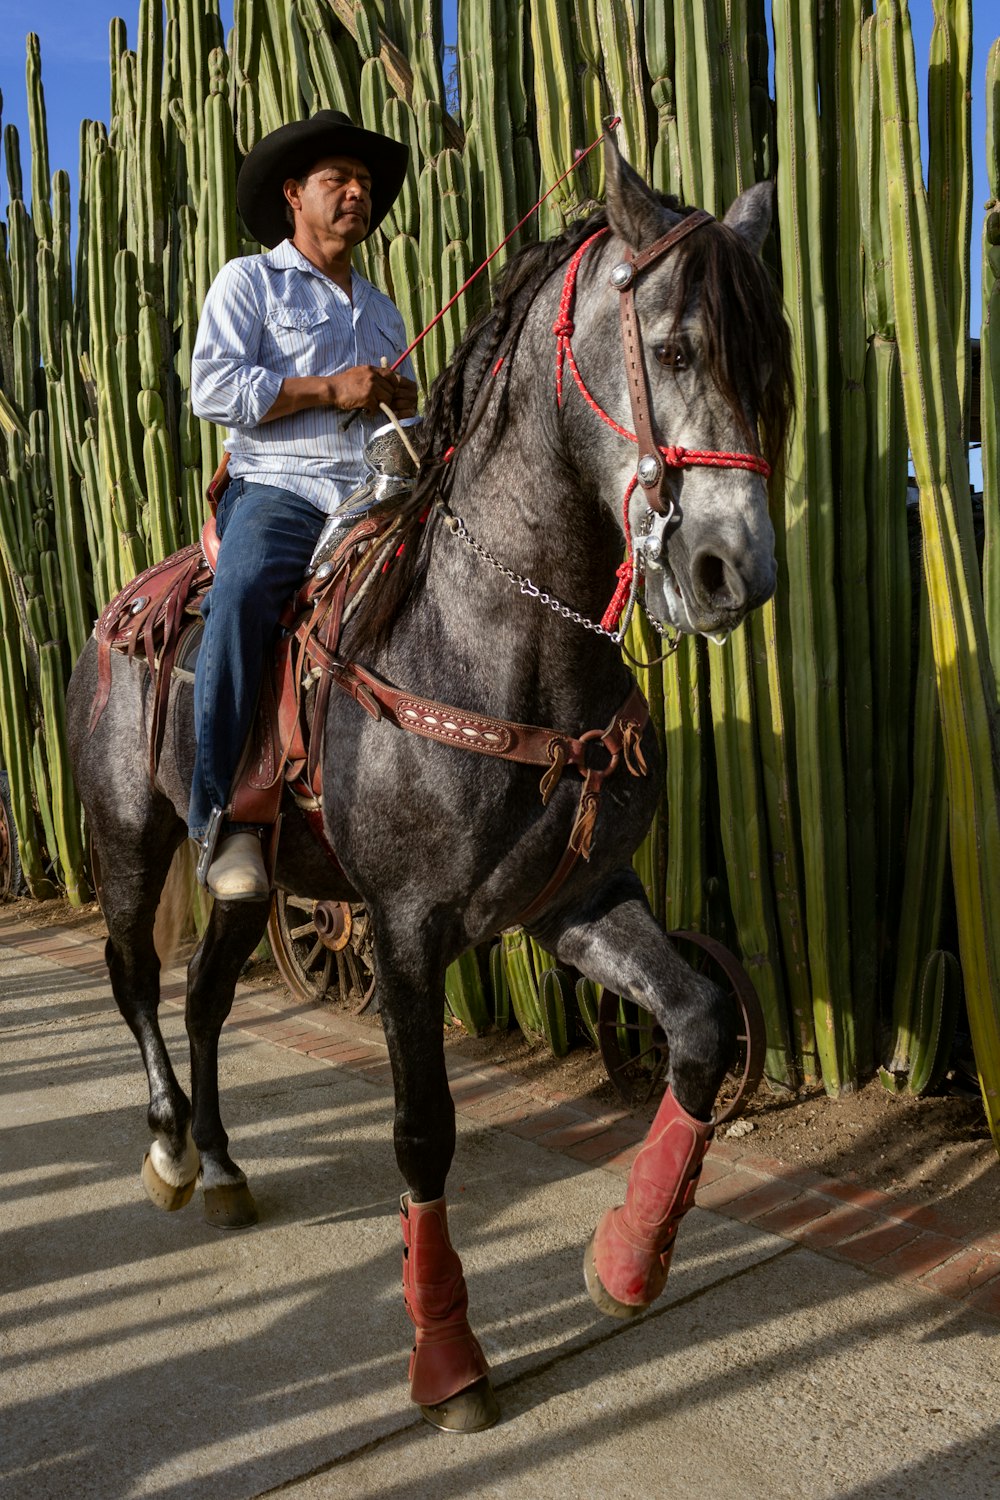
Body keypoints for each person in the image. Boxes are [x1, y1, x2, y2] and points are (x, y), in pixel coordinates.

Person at [188, 110, 419, 901]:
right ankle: (221, 819)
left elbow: (403, 421)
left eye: (362, 184)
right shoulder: (249, 281)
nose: (356, 194)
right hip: (283, 487)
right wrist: (332, 387)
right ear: (295, 195)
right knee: (245, 590)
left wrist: (408, 403)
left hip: (375, 496)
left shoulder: (382, 310)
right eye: (338, 182)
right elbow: (212, 387)